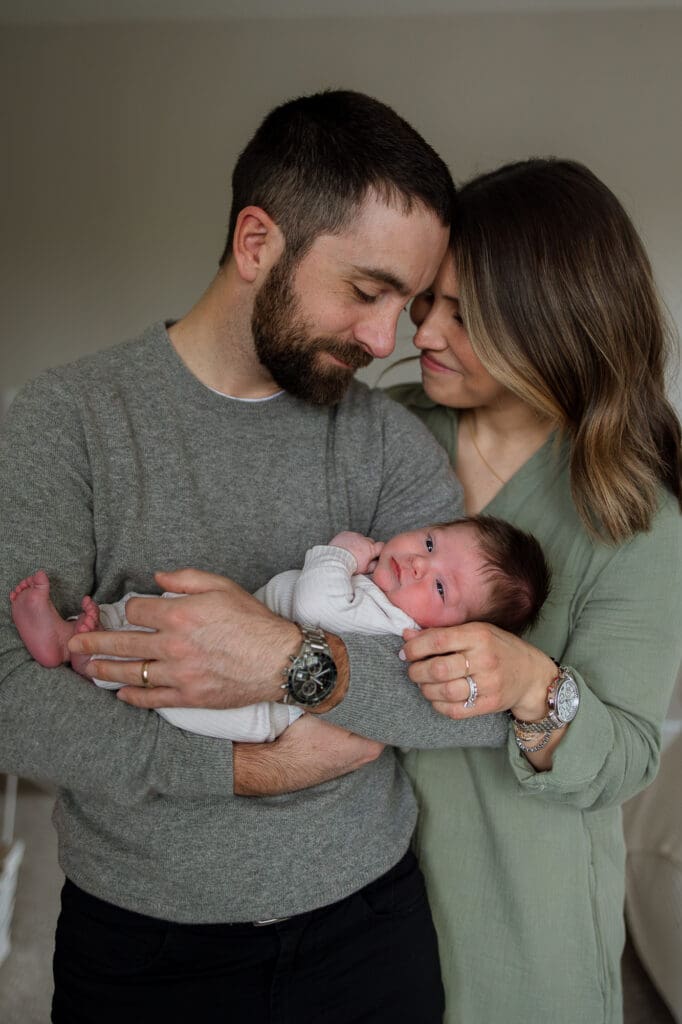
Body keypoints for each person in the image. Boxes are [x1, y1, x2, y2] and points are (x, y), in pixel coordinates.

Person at [0, 89, 508, 1024]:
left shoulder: (390, 446)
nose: (385, 341)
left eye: (409, 302)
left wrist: (284, 660)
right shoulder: (66, 420)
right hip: (142, 941)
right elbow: (12, 699)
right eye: (366, 291)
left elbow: (472, 704)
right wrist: (248, 770)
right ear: (255, 243)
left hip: (369, 925)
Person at [382, 159, 681, 1023]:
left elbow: (627, 752)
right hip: (361, 897)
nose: (426, 333)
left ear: (553, 325)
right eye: (426, 302)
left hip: (521, 926)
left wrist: (530, 685)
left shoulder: (631, 514)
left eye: (465, 316)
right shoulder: (388, 433)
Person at [10, 515, 551, 740]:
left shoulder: (390, 620)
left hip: (254, 705)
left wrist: (339, 553)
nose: (417, 565)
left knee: (167, 658)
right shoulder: (385, 596)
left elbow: (315, 604)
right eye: (430, 544)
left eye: (440, 589)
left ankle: (81, 652)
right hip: (239, 660)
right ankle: (88, 633)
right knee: (163, 619)